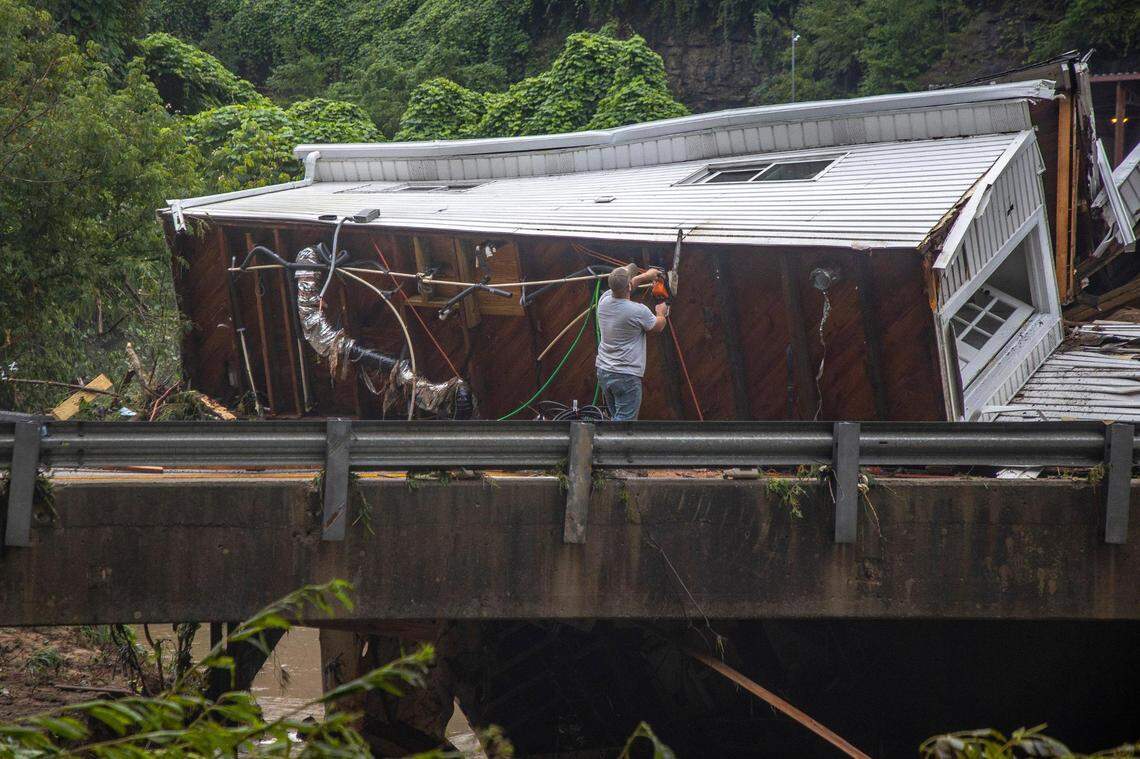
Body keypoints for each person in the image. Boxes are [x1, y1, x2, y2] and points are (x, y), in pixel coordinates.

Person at [595, 263, 669, 421]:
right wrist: (661, 312)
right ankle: (611, 445)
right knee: (623, 426)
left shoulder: (604, 301)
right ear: (628, 286)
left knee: (616, 418)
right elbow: (659, 326)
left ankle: (609, 443)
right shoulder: (637, 311)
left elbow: (627, 285)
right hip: (625, 376)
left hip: (604, 371)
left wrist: (647, 276)